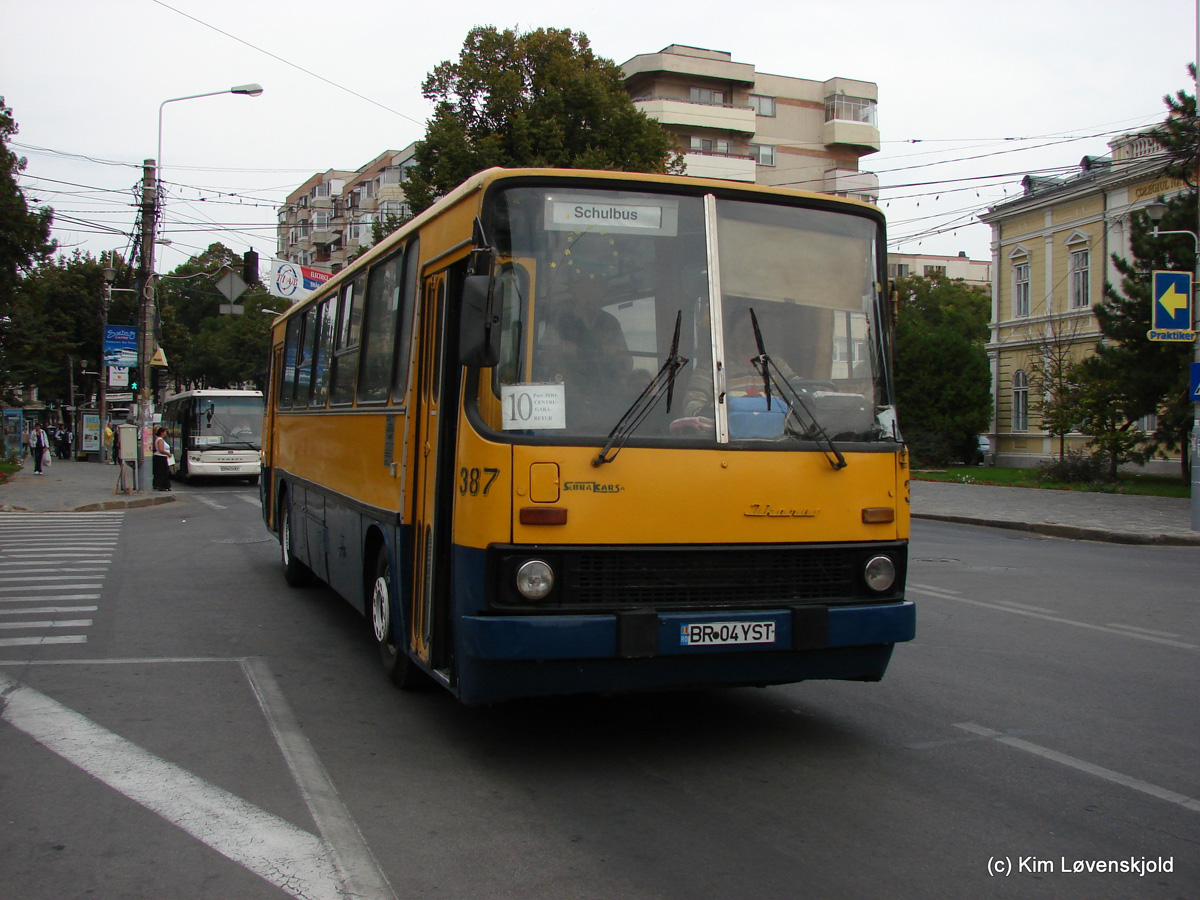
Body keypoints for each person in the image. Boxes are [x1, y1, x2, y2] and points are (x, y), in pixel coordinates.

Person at [152, 425, 173, 491]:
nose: (165, 433)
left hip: (161, 458)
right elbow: (160, 449)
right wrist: (168, 454)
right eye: (165, 432)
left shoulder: (159, 439)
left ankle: (161, 485)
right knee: (163, 472)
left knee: (162, 472)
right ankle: (163, 486)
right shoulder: (160, 440)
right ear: (161, 432)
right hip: (161, 458)